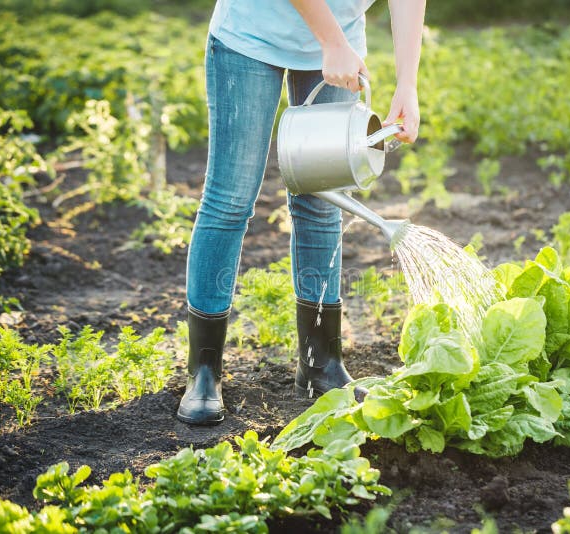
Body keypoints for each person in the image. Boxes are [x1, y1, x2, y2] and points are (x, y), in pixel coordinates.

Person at [177, 0, 426, 425]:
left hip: (340, 44)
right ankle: (204, 371)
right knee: (230, 199)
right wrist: (331, 42)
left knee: (323, 197)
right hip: (251, 36)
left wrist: (407, 83)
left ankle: (320, 363)